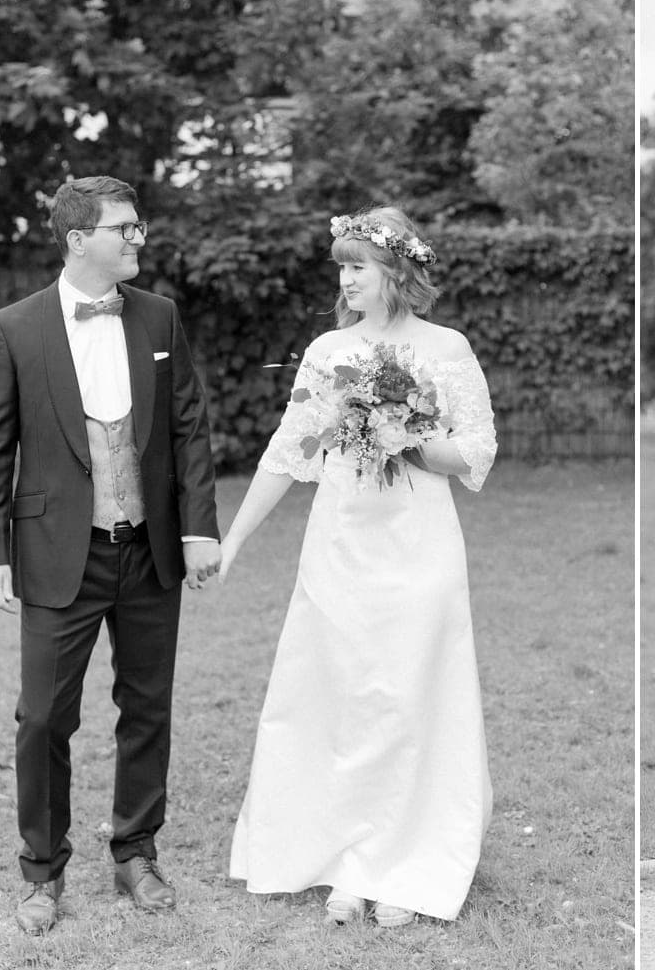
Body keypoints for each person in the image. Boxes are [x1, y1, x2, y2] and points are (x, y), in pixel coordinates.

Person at [221, 205, 497, 928]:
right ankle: (348, 862)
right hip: (341, 542)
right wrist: (235, 538)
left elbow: (476, 451)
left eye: (357, 267)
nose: (345, 280)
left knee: (408, 694)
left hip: (419, 542)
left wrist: (405, 435)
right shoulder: (326, 351)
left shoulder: (447, 347)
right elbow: (288, 450)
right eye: (341, 267)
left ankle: (405, 865)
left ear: (396, 271)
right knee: (341, 693)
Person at [0, 176, 222, 935]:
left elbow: (188, 429)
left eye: (138, 226)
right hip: (56, 553)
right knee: (44, 716)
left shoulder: (159, 315)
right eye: (124, 228)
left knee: (146, 707)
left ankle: (136, 852)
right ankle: (42, 871)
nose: (138, 238)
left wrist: (198, 528)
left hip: (149, 550)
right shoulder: (14, 328)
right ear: (79, 239)